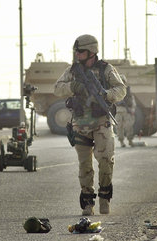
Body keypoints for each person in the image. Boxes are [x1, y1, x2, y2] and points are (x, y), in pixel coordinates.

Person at [54, 34, 126, 216]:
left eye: (81, 51)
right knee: (84, 165)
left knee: (106, 160)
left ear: (92, 51)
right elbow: (57, 89)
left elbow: (121, 89)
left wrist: (105, 94)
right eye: (76, 51)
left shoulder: (106, 69)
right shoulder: (72, 71)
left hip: (102, 122)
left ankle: (104, 197)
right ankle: (87, 202)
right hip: (80, 124)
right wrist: (74, 87)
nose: (77, 54)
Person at [116, 74, 136, 147]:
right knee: (119, 127)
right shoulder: (116, 90)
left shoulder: (128, 90)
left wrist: (133, 109)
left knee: (129, 126)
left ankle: (130, 140)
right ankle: (121, 142)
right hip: (118, 110)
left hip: (127, 110)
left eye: (123, 81)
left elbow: (132, 100)